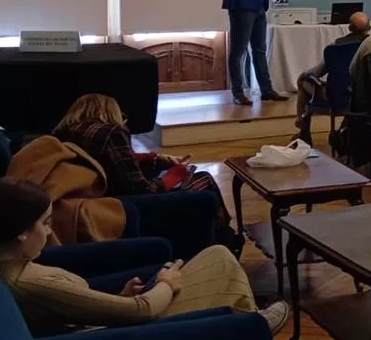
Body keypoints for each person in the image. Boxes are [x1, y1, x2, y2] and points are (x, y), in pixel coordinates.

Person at [0, 178, 288, 336]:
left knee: (217, 257)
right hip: (129, 328)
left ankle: (248, 322)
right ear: (20, 232)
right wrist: (164, 283)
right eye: (44, 223)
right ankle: (252, 327)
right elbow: (140, 311)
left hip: (107, 321)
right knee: (217, 259)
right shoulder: (25, 281)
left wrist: (115, 296)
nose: (49, 231)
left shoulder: (5, 265)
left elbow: (69, 307)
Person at [52, 95, 240, 252]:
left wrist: (157, 160)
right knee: (204, 180)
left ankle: (225, 239)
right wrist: (174, 174)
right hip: (125, 206)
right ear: (110, 111)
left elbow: (114, 165)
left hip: (90, 205)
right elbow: (142, 190)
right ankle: (226, 241)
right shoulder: (111, 133)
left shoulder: (61, 133)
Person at [295, 11, 371, 129]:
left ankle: (301, 124)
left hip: (336, 96)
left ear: (349, 27)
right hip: (365, 97)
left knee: (303, 82)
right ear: (369, 27)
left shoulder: (335, 47)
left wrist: (304, 74)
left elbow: (317, 72)